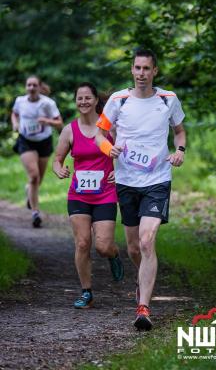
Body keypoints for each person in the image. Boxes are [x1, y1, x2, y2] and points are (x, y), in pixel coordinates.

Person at [96, 48, 186, 330]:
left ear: (155, 71)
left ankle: (143, 307)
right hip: (126, 181)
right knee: (134, 246)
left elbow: (180, 131)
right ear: (132, 70)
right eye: (137, 68)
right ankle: (142, 279)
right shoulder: (118, 100)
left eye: (147, 68)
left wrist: (179, 150)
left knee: (148, 241)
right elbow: (100, 134)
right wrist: (109, 148)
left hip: (157, 180)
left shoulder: (168, 99)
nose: (141, 74)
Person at [53, 82, 124, 309]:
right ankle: (86, 292)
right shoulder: (69, 130)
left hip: (105, 193)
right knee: (83, 243)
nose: (83, 102)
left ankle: (114, 255)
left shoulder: (109, 128)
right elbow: (57, 160)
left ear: (95, 101)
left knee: (103, 246)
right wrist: (60, 170)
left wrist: (120, 172)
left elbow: (126, 152)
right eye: (79, 98)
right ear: (76, 102)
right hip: (79, 195)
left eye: (87, 98)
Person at [11, 75, 63, 227]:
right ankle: (35, 213)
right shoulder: (20, 101)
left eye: (34, 85)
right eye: (29, 85)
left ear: (40, 87)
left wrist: (47, 121)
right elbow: (14, 113)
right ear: (26, 87)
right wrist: (15, 124)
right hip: (25, 141)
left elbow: (59, 123)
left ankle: (29, 191)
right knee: (34, 176)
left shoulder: (48, 103)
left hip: (44, 142)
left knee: (38, 179)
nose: (31, 88)